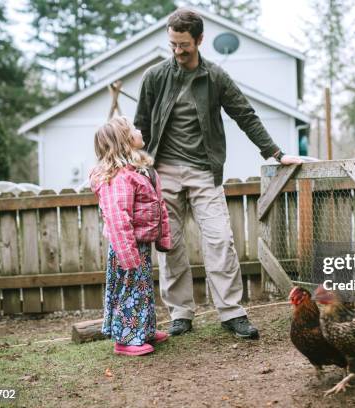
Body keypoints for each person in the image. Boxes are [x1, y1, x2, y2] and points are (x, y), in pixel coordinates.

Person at [134, 8, 302, 339]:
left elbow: (245, 115)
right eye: (173, 44)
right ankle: (181, 312)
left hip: (203, 172)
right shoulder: (155, 77)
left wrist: (276, 152)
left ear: (199, 40)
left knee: (220, 240)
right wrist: (135, 163)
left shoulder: (215, 78)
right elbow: (140, 124)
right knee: (171, 246)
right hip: (163, 172)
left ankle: (231, 312)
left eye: (184, 45)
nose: (178, 51)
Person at [90, 116, 172, 356]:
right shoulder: (119, 177)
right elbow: (117, 218)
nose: (139, 130)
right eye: (133, 129)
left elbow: (158, 204)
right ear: (125, 141)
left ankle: (143, 331)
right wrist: (128, 254)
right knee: (129, 290)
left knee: (142, 288)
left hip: (140, 243)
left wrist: (163, 237)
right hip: (126, 245)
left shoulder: (137, 171)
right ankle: (125, 340)